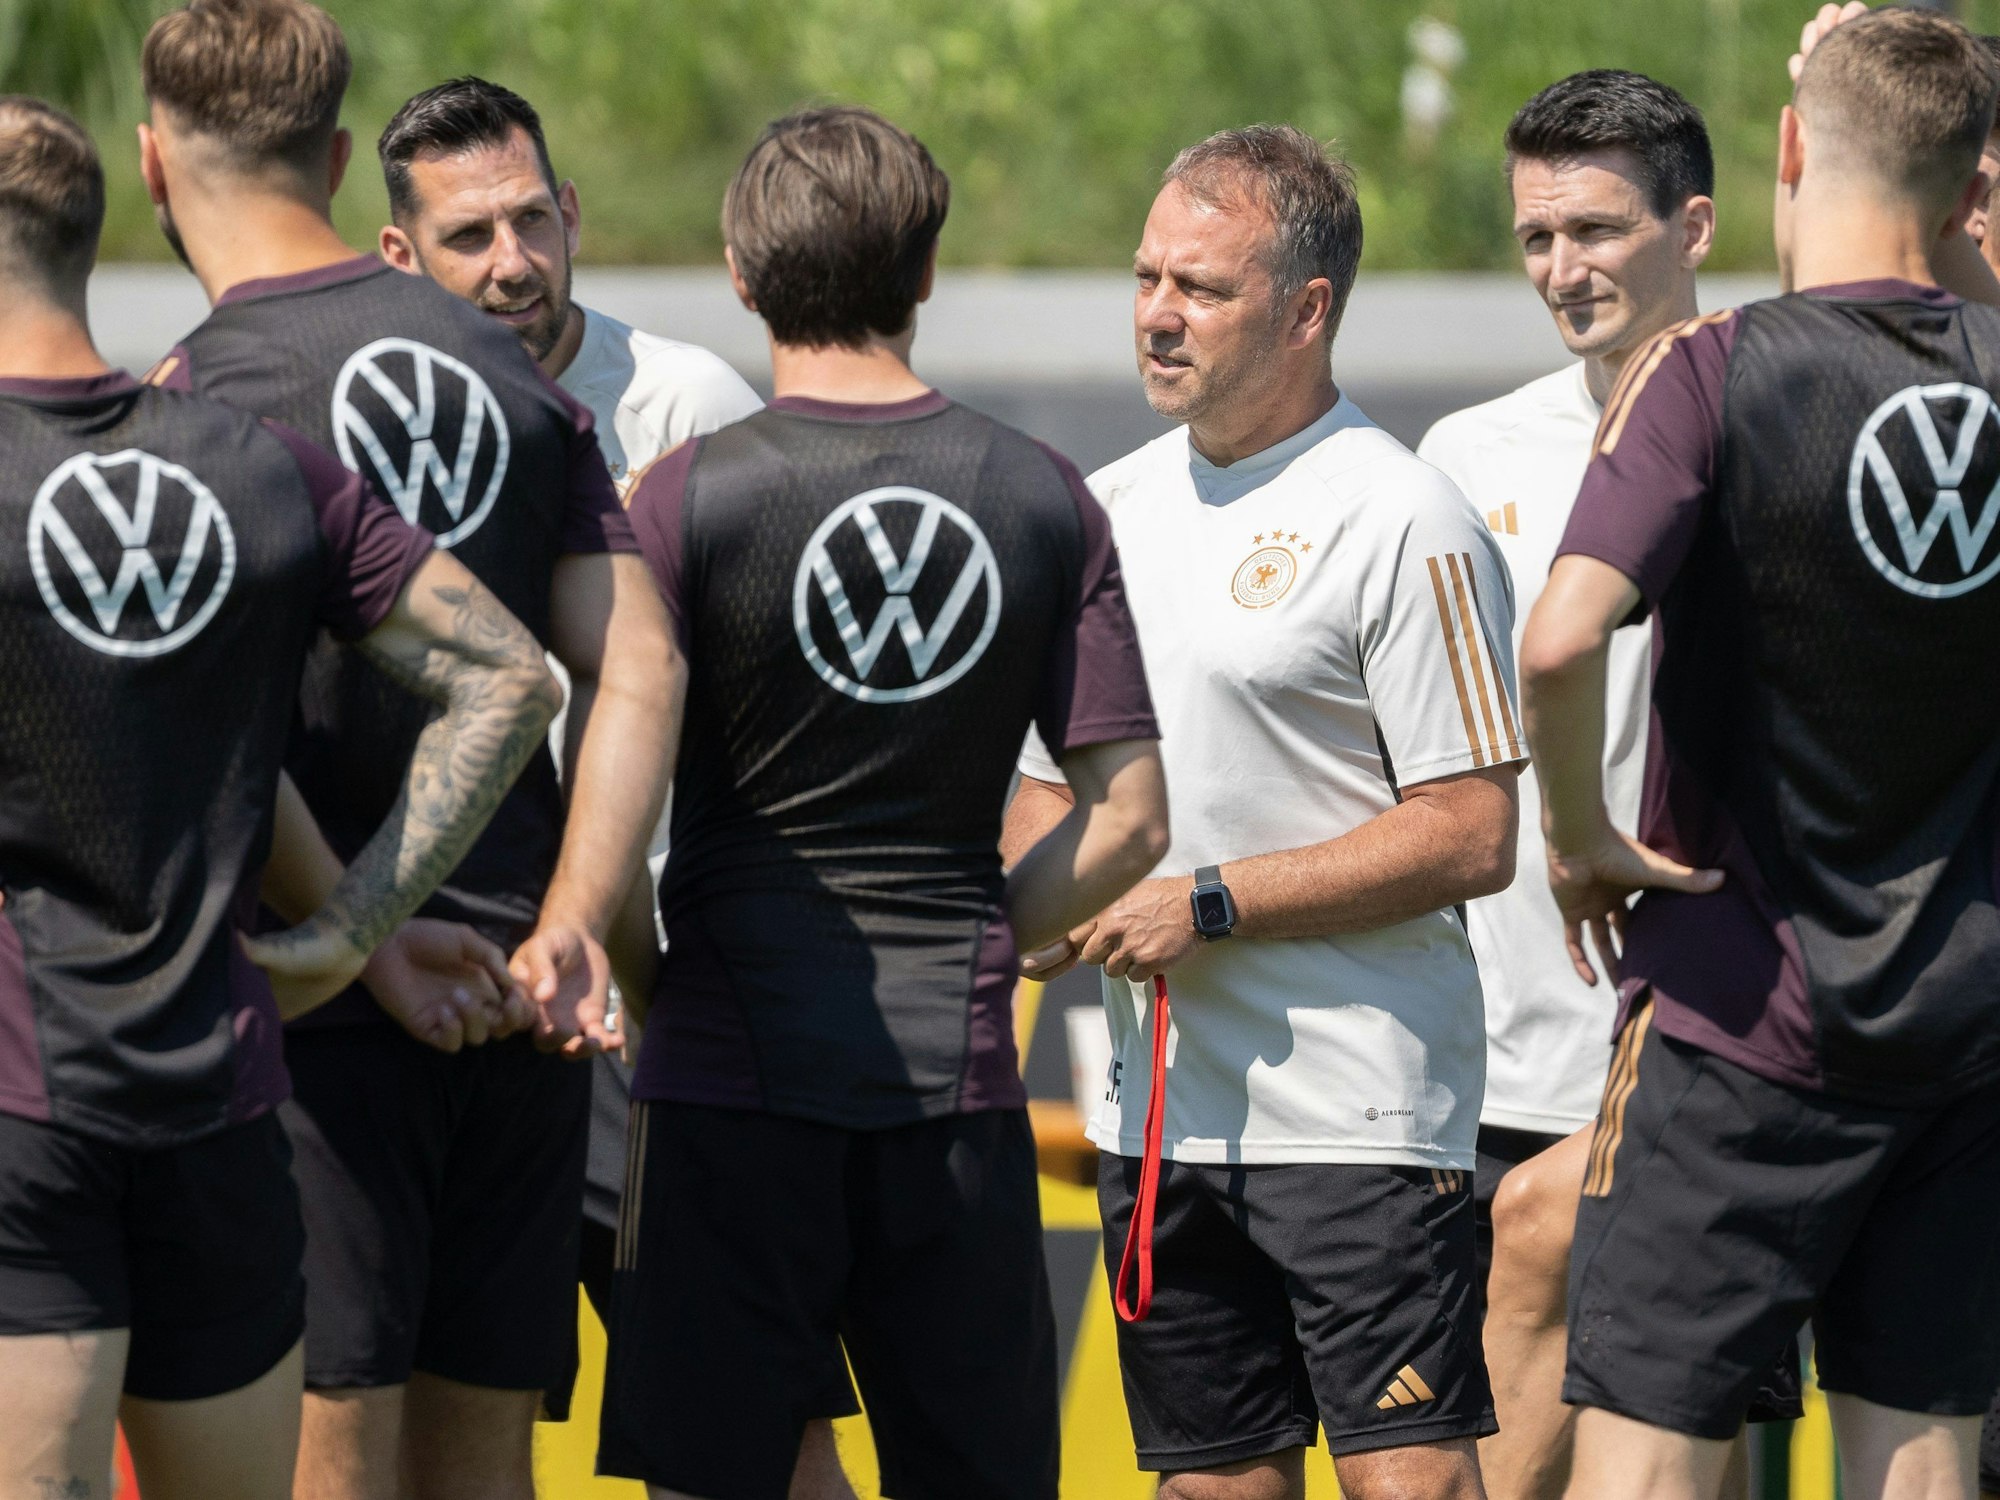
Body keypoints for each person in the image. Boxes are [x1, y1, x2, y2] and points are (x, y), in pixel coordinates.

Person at [134, 3, 680, 1497]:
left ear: (154, 167)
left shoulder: (189, 399)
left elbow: (207, 726)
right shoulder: (521, 373)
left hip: (318, 1009)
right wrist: (572, 922)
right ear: (331, 157)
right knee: (481, 1470)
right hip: (517, 991)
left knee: (330, 1460)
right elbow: (636, 659)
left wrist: (353, 932)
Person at [598, 105, 1169, 1500]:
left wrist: (654, 985)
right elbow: (1134, 819)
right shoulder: (1041, 497)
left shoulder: (673, 501)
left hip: (726, 1081)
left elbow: (602, 819)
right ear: (926, 274)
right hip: (952, 1098)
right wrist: (991, 931)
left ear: (739, 272)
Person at [0, 97, 559, 1500]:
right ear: (105, 219)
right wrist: (352, 932)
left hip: (24, 1112)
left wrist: (360, 933)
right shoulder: (251, 464)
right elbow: (507, 676)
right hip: (229, 1102)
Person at [1002, 124, 1520, 1500]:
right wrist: (1041, 903)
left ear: (1308, 310)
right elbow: (1043, 788)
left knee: (1410, 1483)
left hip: (1357, 1116)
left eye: (1203, 289)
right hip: (1157, 1121)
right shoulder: (1099, 511)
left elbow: (1473, 830)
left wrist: (1209, 900)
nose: (1159, 316)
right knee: (1211, 1488)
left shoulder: (1407, 514)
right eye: (1147, 278)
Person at [1521, 9, 2000, 1499]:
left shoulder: (1710, 368)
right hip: (1969, 1030)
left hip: (1739, 1019)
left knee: (1651, 1468)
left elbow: (1559, 638)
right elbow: (1922, 294)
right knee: (1919, 1469)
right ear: (1972, 181)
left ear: (1787, 153)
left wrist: (1581, 830)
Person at [1418, 72, 1801, 1500]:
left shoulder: (1793, 421)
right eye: (1535, 239)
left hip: (1727, 1035)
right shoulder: (1467, 456)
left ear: (1696, 224)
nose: (1562, 271)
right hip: (1503, 1050)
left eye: (1597, 230)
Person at [372, 72, 763, 1323]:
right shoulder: (364, 421)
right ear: (397, 250)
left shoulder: (687, 403)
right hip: (452, 980)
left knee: (735, 1418)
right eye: (469, 236)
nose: (512, 262)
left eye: (532, 220)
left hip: (656, 987)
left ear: (574, 212)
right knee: (471, 1419)